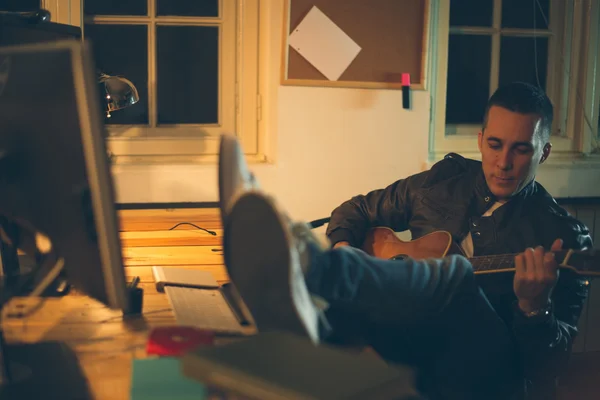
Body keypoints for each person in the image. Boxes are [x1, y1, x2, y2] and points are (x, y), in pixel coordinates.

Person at [216, 81, 592, 400]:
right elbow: (355, 210)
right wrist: (347, 249)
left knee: (454, 275)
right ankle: (305, 311)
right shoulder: (442, 182)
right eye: (495, 144)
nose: (503, 162)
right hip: (411, 342)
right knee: (368, 307)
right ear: (480, 141)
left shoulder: (563, 236)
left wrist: (534, 307)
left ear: (543, 151)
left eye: (521, 149)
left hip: (489, 370)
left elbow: (549, 368)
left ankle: (309, 265)